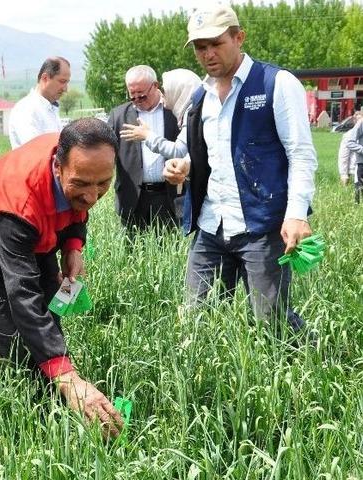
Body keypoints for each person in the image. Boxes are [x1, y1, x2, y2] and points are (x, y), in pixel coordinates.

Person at [0, 118, 124, 438]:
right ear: (58, 167)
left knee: (49, 318)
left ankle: (51, 405)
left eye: (104, 183)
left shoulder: (80, 158)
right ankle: (5, 428)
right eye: (82, 184)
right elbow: (23, 295)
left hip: (36, 240)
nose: (92, 195)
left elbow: (78, 209)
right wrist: (68, 378)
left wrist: (73, 246)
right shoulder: (20, 201)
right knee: (8, 345)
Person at [163, 6, 318, 342]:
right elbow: (209, 155)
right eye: (200, 47)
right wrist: (184, 166)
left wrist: (296, 214)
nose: (208, 54)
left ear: (239, 37)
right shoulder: (201, 96)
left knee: (272, 323)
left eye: (216, 43)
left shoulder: (276, 83)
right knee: (196, 319)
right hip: (211, 225)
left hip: (262, 227)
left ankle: (317, 357)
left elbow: (301, 153)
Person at [108, 65, 182, 230]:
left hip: (169, 198)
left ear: (155, 85)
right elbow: (106, 153)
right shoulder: (118, 116)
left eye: (141, 95)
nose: (137, 100)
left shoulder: (175, 111)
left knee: (169, 245)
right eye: (132, 95)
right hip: (133, 200)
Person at [8, 57, 71, 148]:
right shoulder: (25, 109)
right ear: (45, 78)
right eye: (62, 81)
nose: (65, 89)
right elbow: (36, 150)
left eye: (67, 82)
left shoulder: (50, 108)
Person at [339, 112, 363, 192]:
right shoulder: (349, 135)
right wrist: (344, 174)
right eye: (358, 120)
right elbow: (343, 156)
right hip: (354, 170)